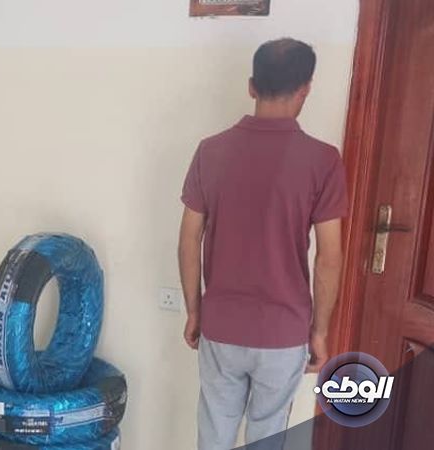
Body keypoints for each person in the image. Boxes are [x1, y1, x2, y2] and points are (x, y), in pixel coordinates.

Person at [178, 38, 347, 450]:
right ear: (306, 88)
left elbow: (188, 239)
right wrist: (320, 332)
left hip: (222, 324)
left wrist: (195, 311)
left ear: (251, 86)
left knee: (214, 432)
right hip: (284, 332)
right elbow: (329, 257)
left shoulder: (211, 151)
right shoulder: (323, 160)